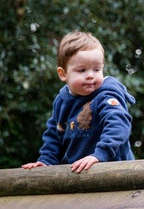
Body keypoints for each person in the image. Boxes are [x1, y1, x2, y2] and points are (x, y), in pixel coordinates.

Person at [22, 31, 136, 172]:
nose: (90, 76)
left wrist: (99, 155)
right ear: (63, 74)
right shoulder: (61, 102)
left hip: (113, 170)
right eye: (82, 70)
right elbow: (54, 135)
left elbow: (118, 124)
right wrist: (46, 161)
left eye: (96, 69)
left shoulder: (106, 96)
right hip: (77, 173)